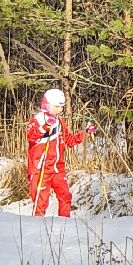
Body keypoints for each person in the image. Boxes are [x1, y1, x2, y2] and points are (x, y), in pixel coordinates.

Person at [27, 87, 95, 217]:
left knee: (65, 196)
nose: (60, 109)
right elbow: (31, 136)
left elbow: (69, 140)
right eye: (57, 106)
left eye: (62, 107)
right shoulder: (38, 119)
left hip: (58, 168)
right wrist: (45, 127)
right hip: (41, 169)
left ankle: (64, 224)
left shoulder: (59, 121)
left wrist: (85, 133)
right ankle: (36, 228)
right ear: (48, 105)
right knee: (40, 202)